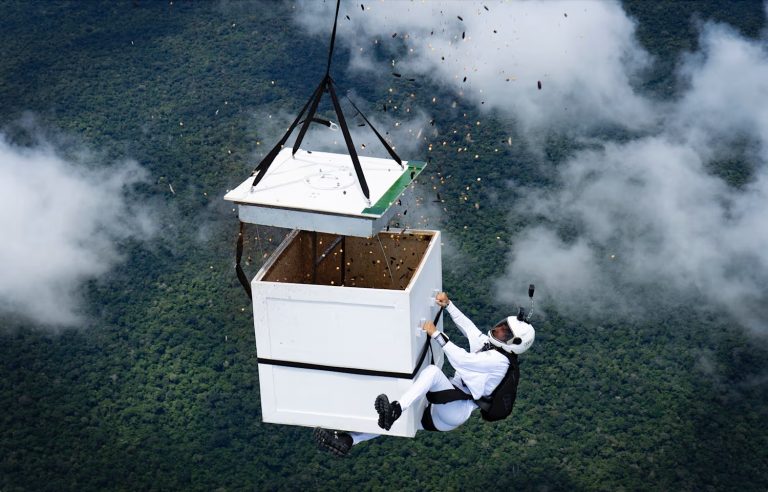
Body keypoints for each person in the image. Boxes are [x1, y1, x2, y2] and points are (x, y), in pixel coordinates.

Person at [313, 292, 535, 457]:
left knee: (430, 374)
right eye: (502, 326)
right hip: (448, 410)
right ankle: (348, 440)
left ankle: (395, 409)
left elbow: (461, 359)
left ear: (515, 343)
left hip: (455, 406)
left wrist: (436, 333)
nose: (499, 330)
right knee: (403, 421)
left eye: (505, 332)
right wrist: (449, 305)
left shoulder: (499, 361)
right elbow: (469, 329)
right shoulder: (492, 345)